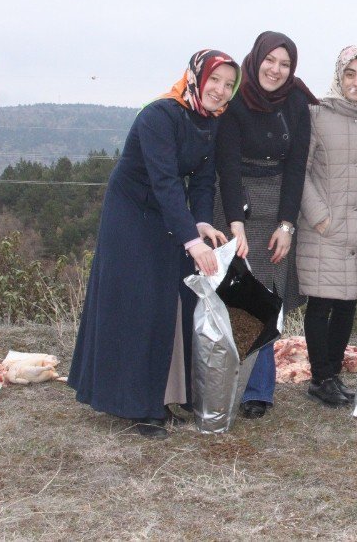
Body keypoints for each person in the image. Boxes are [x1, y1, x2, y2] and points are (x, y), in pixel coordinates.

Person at [69, 49, 240, 439]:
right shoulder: (159, 115)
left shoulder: (210, 121)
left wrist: (199, 222)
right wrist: (192, 241)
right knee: (140, 301)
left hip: (169, 213)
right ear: (196, 77)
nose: (220, 90)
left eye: (229, 85)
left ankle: (167, 395)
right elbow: (163, 180)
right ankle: (136, 405)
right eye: (215, 80)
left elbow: (201, 179)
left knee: (174, 298)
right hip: (130, 212)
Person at [215, 31, 315, 419]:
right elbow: (226, 163)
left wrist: (287, 224)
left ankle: (258, 390)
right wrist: (236, 221)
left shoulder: (296, 103)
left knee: (269, 294)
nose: (276, 69)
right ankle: (221, 382)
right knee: (233, 293)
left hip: (277, 204)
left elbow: (296, 166)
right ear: (255, 60)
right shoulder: (236, 98)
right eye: (270, 60)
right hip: (232, 201)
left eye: (285, 63)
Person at [296, 45, 357, 407]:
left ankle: (332, 375)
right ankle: (320, 377)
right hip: (324, 228)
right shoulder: (316, 115)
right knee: (321, 304)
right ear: (339, 76)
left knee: (348, 302)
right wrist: (320, 216)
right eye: (351, 74)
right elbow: (299, 170)